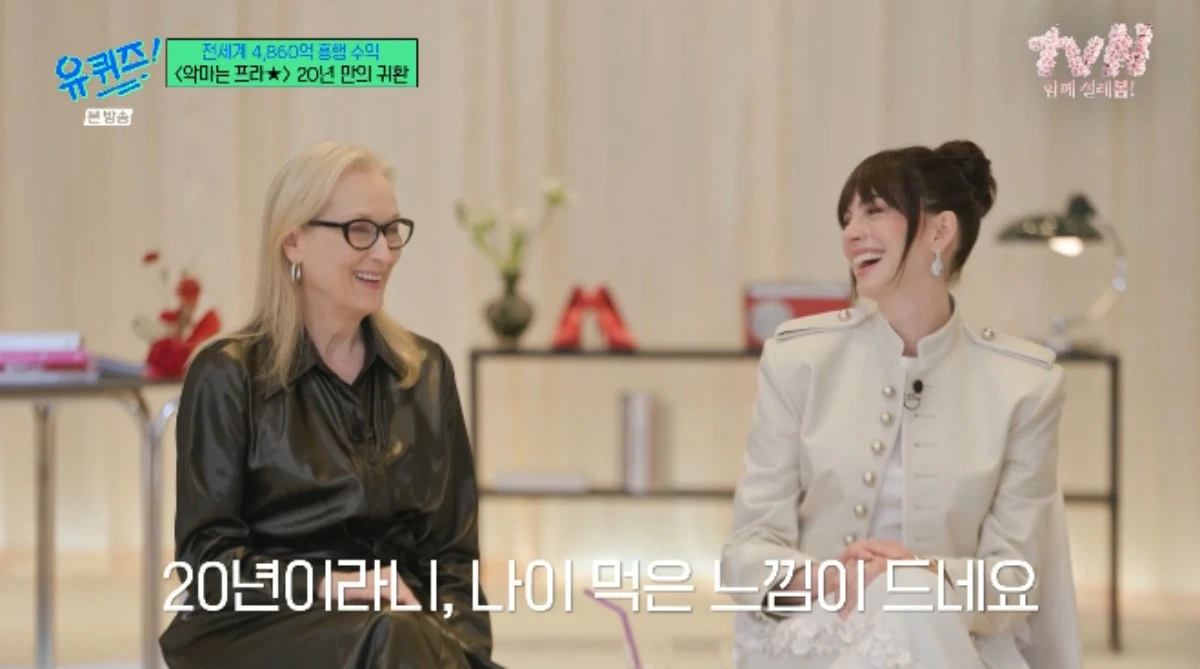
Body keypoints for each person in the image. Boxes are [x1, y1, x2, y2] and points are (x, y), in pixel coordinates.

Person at [720, 141, 1082, 669]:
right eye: (846, 218)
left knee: (912, 602)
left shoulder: (1024, 385)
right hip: (820, 635)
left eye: (874, 210)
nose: (851, 233)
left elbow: (1014, 584)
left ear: (940, 231)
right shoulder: (798, 361)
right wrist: (829, 577)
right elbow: (746, 553)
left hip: (954, 639)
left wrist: (916, 574)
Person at [159, 141, 503, 668]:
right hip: (256, 626)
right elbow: (209, 568)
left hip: (403, 639)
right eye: (359, 230)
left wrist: (461, 654)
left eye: (391, 230)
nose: (384, 253)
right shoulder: (227, 374)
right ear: (293, 241)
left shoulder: (427, 371)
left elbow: (453, 559)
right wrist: (331, 584)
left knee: (398, 635)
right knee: (388, 632)